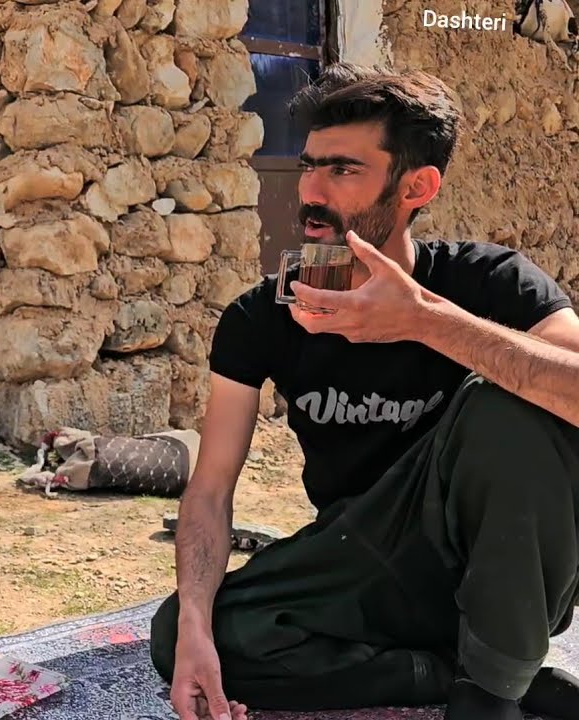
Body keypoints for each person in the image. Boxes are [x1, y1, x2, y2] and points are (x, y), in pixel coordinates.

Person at [149, 63, 579, 720]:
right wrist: (196, 635)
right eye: (310, 165)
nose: (312, 192)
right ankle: (443, 673)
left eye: (344, 170)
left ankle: (491, 694)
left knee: (504, 401)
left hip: (497, 559)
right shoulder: (260, 317)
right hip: (362, 557)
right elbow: (208, 492)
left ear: (417, 185)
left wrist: (425, 321)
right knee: (182, 630)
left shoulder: (494, 282)